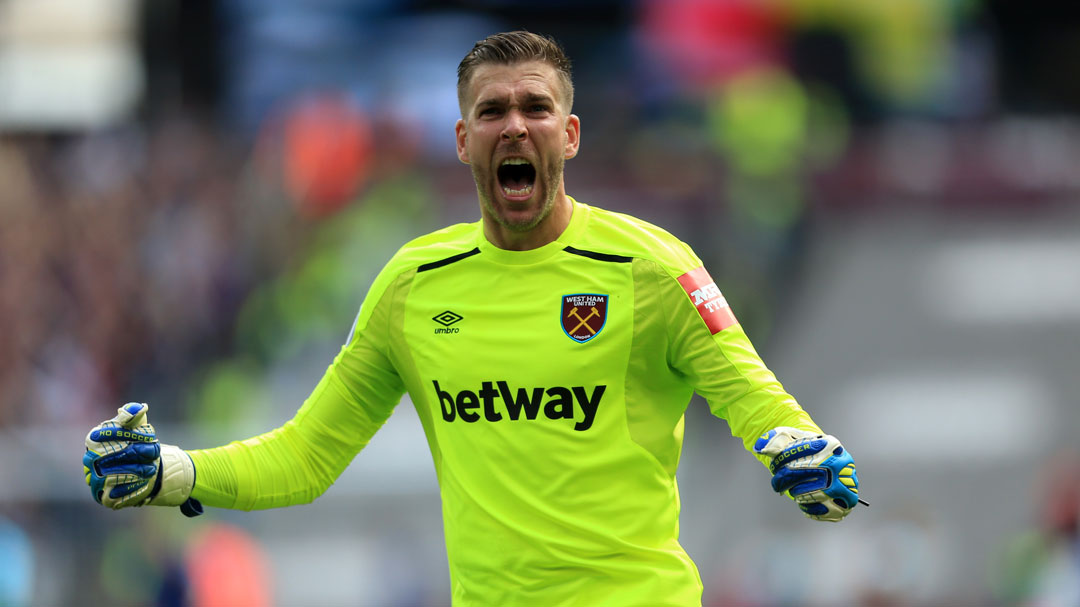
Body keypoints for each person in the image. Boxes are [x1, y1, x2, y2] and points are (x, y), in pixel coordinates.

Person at [82, 31, 862, 606]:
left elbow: (760, 403)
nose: (515, 126)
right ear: (463, 140)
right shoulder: (414, 285)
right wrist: (171, 471)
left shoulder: (653, 268)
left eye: (536, 108)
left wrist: (801, 454)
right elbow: (303, 458)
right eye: (493, 110)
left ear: (571, 133)